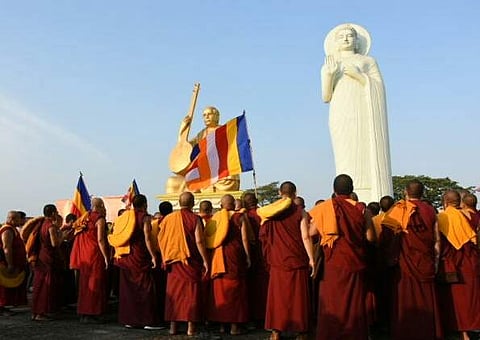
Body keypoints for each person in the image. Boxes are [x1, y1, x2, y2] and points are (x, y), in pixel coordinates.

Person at [321, 23, 392, 203]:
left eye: (350, 35)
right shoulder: (330, 64)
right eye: (341, 36)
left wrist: (359, 76)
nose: (346, 38)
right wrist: (329, 75)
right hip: (341, 111)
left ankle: (370, 192)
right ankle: (346, 191)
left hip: (363, 111)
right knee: (345, 152)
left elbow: (378, 88)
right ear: (335, 42)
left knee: (364, 149)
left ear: (357, 40)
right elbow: (326, 96)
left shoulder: (368, 61)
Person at [309, 174, 374, 340]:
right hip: (354, 260)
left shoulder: (326, 207)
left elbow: (311, 232)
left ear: (334, 190)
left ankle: (330, 334)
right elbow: (370, 237)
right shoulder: (362, 209)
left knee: (332, 301)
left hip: (333, 262)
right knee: (353, 301)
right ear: (352, 190)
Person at [379, 179, 442, 340]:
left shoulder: (399, 210)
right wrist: (435, 262)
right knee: (426, 298)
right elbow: (437, 240)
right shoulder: (430, 210)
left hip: (405, 263)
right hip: (425, 261)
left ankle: (405, 332)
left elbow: (386, 237)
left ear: (406, 192)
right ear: (422, 193)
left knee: (405, 298)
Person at [258, 181, 314, 340]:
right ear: (295, 193)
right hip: (296, 259)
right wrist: (312, 259)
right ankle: (301, 332)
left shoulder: (270, 214)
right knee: (298, 297)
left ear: (279, 193)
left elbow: (264, 237)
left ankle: (276, 332)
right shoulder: (300, 212)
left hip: (278, 261)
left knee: (278, 297)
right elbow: (305, 236)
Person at [158, 192, 209, 336]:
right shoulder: (195, 218)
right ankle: (190, 328)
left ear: (179, 203)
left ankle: (173, 328)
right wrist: (206, 260)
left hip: (173, 262)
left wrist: (165, 256)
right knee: (190, 294)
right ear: (193, 203)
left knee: (174, 295)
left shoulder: (168, 219)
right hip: (190, 262)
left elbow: (161, 239)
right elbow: (199, 241)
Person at [166, 106, 240, 193]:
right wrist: (182, 131)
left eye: (209, 114)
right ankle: (199, 187)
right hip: (203, 172)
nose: (207, 117)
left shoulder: (224, 131)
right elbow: (185, 148)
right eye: (204, 115)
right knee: (171, 182)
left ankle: (201, 187)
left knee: (227, 179)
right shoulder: (201, 134)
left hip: (220, 172)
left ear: (217, 116)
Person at [114, 194, 161, 329]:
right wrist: (153, 256)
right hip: (140, 255)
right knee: (146, 287)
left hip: (126, 256)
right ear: (145, 204)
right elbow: (147, 238)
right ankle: (148, 321)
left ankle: (130, 320)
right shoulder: (145, 218)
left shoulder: (123, 218)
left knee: (129, 289)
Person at [437, 190, 480, 339]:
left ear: (445, 202)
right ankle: (470, 328)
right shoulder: (469, 215)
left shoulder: (442, 217)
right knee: (471, 297)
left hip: (452, 263)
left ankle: (462, 331)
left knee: (456, 299)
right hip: (470, 260)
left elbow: (438, 243)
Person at [207, 194, 251, 335]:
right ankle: (234, 327)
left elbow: (209, 236)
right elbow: (245, 238)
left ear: (221, 205)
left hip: (219, 255)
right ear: (234, 204)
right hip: (235, 254)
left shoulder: (216, 218)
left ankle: (222, 325)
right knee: (235, 290)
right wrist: (248, 256)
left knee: (220, 291)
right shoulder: (240, 217)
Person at [69, 198, 109, 323]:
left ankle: (84, 313)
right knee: (95, 284)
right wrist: (106, 257)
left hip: (84, 256)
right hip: (95, 255)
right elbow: (101, 240)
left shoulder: (84, 218)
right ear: (101, 206)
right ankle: (91, 313)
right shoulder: (99, 219)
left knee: (85, 284)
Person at [31, 204, 65, 321]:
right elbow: (55, 243)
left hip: (41, 257)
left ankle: (36, 311)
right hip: (48, 258)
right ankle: (41, 313)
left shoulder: (41, 224)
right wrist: (62, 236)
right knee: (46, 286)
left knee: (39, 285)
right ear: (53, 213)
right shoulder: (50, 226)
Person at [242, 192, 269, 327]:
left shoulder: (243, 216)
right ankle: (266, 315)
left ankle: (253, 315)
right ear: (257, 200)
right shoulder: (264, 214)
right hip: (264, 254)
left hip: (251, 254)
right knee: (264, 285)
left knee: (251, 285)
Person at [0, 211, 27, 316]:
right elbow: (7, 248)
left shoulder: (13, 229)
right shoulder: (7, 230)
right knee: (3, 287)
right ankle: (1, 308)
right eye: (19, 219)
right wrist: (10, 264)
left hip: (15, 263)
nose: (20, 221)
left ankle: (5, 307)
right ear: (13, 219)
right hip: (4, 264)